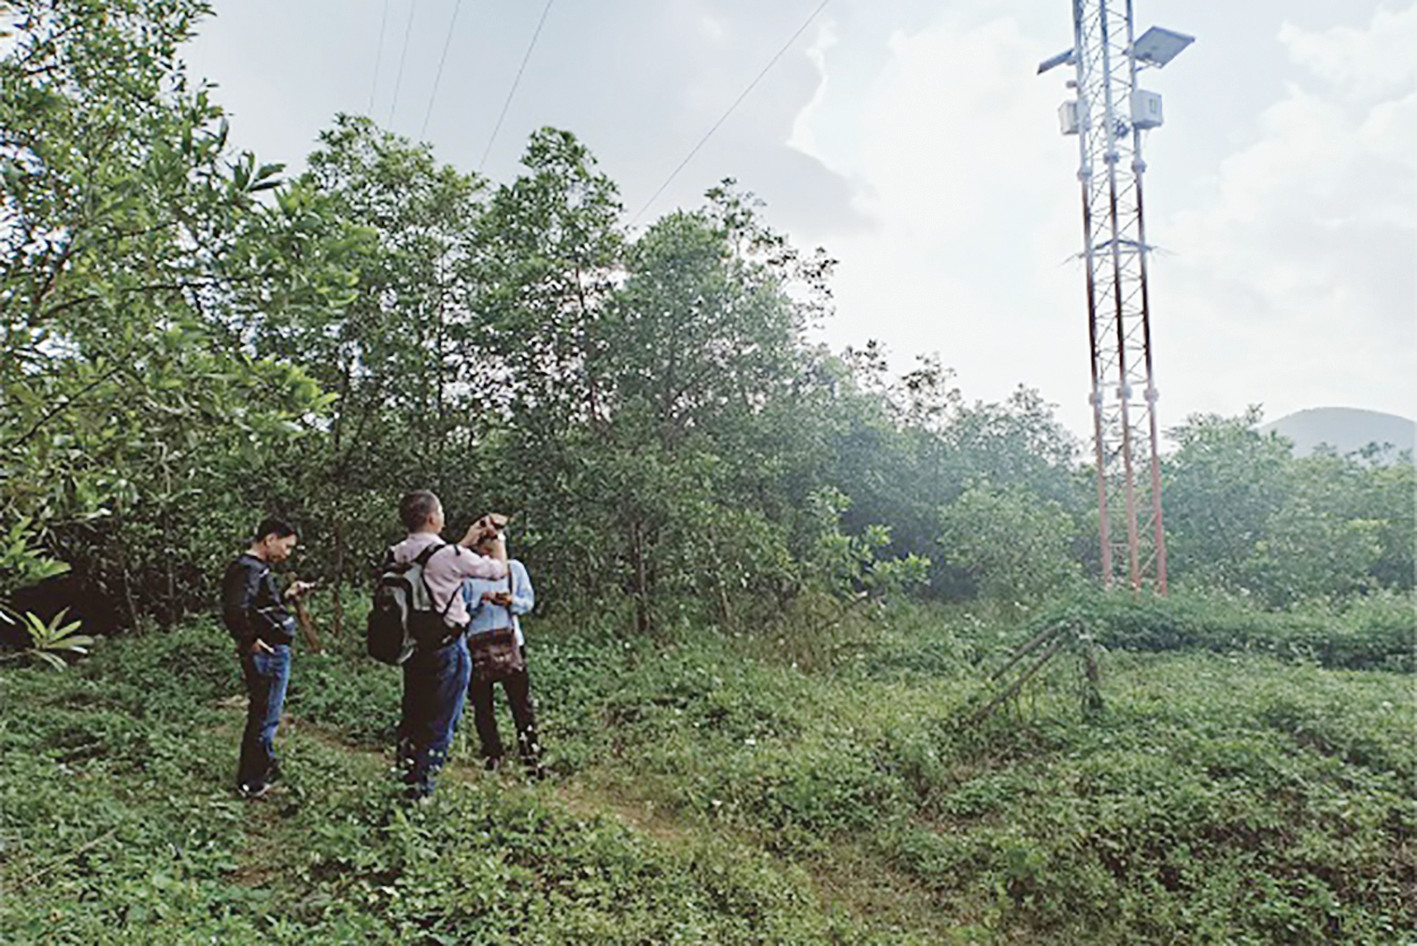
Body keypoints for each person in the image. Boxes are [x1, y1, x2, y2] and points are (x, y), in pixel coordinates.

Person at [386, 490, 507, 799]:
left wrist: (466, 541)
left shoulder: (397, 552)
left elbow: (433, 564)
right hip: (447, 648)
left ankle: (405, 779)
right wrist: (498, 541)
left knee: (413, 715)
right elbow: (498, 571)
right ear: (432, 518)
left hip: (413, 646)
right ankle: (421, 794)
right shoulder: (449, 556)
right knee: (439, 722)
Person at [221, 518, 315, 799]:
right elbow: (236, 609)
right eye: (286, 546)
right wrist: (250, 640)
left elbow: (260, 607)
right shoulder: (248, 569)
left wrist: (286, 596)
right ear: (270, 539)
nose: (287, 553)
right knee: (264, 717)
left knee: (266, 714)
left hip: (272, 648)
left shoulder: (257, 570)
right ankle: (252, 783)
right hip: (268, 653)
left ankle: (262, 767)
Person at [462, 528, 542, 778]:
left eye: (494, 543)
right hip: (477, 645)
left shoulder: (514, 569)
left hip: (511, 643)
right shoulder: (467, 572)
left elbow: (528, 602)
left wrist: (511, 602)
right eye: (484, 544)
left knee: (521, 704)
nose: (488, 549)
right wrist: (478, 603)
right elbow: (458, 609)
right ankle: (492, 755)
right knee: (482, 706)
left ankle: (532, 757)